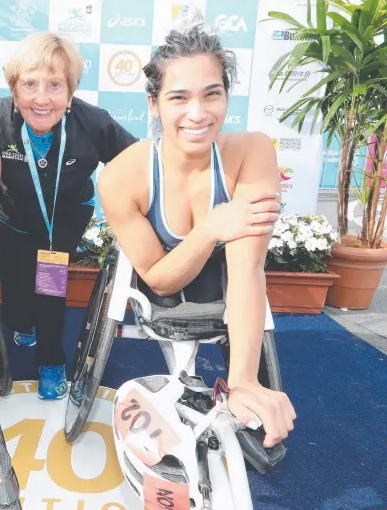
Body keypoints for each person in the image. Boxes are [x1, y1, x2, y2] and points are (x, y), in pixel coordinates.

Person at [98, 22, 296, 447]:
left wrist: (242, 382)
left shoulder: (253, 152)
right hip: (168, 274)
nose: (198, 113)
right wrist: (209, 227)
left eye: (212, 94)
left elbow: (247, 270)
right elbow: (158, 277)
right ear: (153, 104)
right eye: (178, 97)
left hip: (223, 274)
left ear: (226, 96)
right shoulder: (121, 177)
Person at [0, 32, 137, 400]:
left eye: (55, 85)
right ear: (14, 90)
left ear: (70, 91)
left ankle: (51, 360)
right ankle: (21, 320)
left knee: (50, 283)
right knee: (14, 282)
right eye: (29, 84)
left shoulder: (94, 122)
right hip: (11, 215)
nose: (42, 98)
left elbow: (137, 164)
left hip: (64, 219)